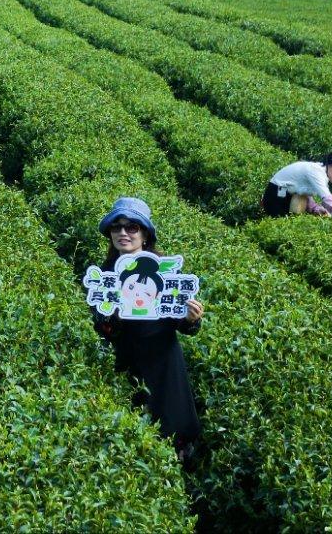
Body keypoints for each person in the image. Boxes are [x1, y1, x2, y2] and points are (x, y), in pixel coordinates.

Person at [93, 196, 205, 466]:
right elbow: (103, 329)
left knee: (172, 426)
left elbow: (186, 325)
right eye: (117, 227)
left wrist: (191, 318)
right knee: (136, 430)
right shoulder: (105, 274)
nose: (123, 233)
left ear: (144, 234)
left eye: (132, 227)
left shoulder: (165, 272)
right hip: (127, 360)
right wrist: (109, 316)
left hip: (163, 360)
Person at [261, 153, 332, 219]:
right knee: (280, 223)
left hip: (285, 194)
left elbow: (305, 193)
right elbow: (327, 198)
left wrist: (316, 209)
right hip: (276, 195)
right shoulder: (316, 171)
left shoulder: (319, 173)